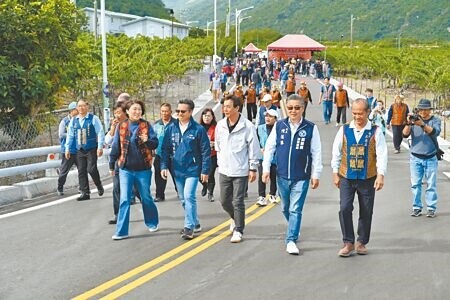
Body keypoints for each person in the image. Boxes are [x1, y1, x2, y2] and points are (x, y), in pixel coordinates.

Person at [262, 94, 323, 255]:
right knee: (285, 207)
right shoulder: (280, 125)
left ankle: (291, 239)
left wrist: (316, 174)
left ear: (303, 108)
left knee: (296, 209)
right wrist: (266, 169)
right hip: (281, 175)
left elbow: (316, 152)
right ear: (286, 108)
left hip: (301, 176)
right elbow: (269, 147)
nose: (293, 111)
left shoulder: (310, 128)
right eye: (290, 108)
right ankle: (293, 227)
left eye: (297, 108)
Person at [331, 98, 387, 257]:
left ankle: (361, 241)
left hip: (368, 177)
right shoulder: (344, 130)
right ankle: (348, 242)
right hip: (346, 177)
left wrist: (380, 175)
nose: (357, 116)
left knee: (366, 209)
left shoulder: (375, 131)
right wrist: (335, 173)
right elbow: (336, 152)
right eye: (354, 113)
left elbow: (382, 155)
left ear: (368, 112)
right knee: (344, 208)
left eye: (360, 113)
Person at [109, 99, 159, 240]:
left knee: (146, 197)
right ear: (127, 111)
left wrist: (147, 140)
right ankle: (121, 231)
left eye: (139, 109)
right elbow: (116, 147)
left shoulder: (146, 126)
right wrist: (111, 164)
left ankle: (152, 222)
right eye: (134, 109)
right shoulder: (122, 126)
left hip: (143, 169)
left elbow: (155, 144)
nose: (137, 112)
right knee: (124, 199)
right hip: (126, 169)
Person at [161, 99, 211, 240]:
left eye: (183, 111)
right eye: (178, 111)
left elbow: (205, 152)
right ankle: (195, 222)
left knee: (189, 196)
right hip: (177, 169)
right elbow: (165, 149)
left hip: (193, 169)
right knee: (183, 199)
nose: (179, 114)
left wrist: (205, 171)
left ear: (190, 112)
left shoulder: (198, 129)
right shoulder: (171, 128)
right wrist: (164, 166)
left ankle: (188, 227)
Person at [215, 95, 261, 243]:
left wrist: (253, 168)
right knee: (223, 200)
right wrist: (219, 162)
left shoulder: (247, 126)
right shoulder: (220, 125)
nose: (225, 109)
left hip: (240, 170)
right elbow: (218, 145)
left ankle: (239, 230)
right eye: (224, 106)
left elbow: (254, 149)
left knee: (238, 201)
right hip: (224, 169)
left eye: (229, 106)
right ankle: (235, 218)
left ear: (237, 108)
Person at [402, 98, 441, 218]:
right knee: (415, 184)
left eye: (426, 110)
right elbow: (404, 134)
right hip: (415, 158)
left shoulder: (435, 120)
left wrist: (422, 124)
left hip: (430, 157)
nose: (423, 112)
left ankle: (431, 208)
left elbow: (435, 132)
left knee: (431, 184)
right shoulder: (414, 120)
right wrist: (409, 123)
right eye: (421, 110)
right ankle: (416, 207)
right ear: (418, 110)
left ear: (430, 110)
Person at [65, 100, 105, 201]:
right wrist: (67, 148)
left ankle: (99, 185)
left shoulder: (93, 118)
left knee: (91, 169)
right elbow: (70, 136)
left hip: (91, 148)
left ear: (87, 107)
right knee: (81, 171)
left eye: (83, 106)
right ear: (77, 108)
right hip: (79, 149)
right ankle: (85, 192)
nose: (81, 108)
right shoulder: (73, 121)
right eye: (79, 106)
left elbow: (100, 132)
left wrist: (100, 147)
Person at [105, 102, 128, 224]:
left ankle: (149, 212)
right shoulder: (116, 125)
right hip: (118, 161)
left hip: (132, 162)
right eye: (115, 113)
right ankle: (118, 214)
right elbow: (108, 141)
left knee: (138, 190)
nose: (117, 115)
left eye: (119, 112)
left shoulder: (132, 124)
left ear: (126, 112)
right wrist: (112, 128)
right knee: (116, 188)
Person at [152, 103, 176, 202]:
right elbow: (152, 138)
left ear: (171, 111)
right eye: (162, 111)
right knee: (159, 176)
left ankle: (181, 191)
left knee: (177, 175)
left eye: (166, 111)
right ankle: (159, 195)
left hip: (174, 155)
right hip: (160, 154)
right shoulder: (156, 125)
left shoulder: (176, 123)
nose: (164, 113)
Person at [256, 109, 279, 207]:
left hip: (275, 157)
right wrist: (260, 148)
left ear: (275, 119)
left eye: (270, 116)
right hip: (262, 156)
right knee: (262, 175)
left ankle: (272, 194)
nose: (267, 118)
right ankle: (261, 196)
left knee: (273, 176)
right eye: (266, 116)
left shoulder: (279, 129)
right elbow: (256, 141)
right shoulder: (260, 128)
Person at [57, 102, 78, 196]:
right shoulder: (64, 121)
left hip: (79, 149)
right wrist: (71, 135)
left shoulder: (80, 120)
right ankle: (60, 187)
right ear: (72, 111)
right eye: (77, 109)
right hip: (68, 150)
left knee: (82, 169)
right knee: (64, 170)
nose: (78, 111)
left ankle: (82, 188)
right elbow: (61, 134)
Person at [199, 108, 218, 202]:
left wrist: (214, 143)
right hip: (200, 156)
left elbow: (220, 140)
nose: (206, 118)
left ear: (212, 117)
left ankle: (210, 193)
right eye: (205, 115)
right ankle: (204, 185)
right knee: (199, 174)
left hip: (212, 155)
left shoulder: (216, 128)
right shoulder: (198, 128)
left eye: (208, 116)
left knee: (210, 174)